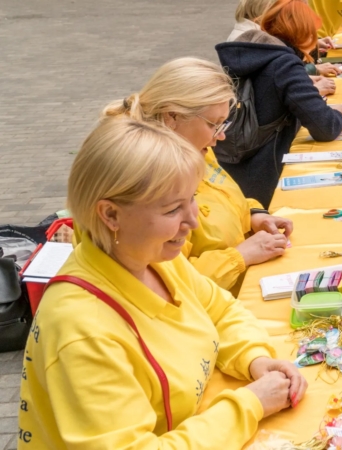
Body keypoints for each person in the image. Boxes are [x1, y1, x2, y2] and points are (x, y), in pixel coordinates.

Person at [18, 118, 307, 449]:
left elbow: (221, 309)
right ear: (110, 215)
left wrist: (255, 358)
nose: (193, 221)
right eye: (172, 209)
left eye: (192, 199)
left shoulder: (150, 258)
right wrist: (250, 404)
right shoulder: (81, 332)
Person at [103, 57, 292, 293]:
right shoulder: (146, 179)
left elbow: (225, 200)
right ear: (171, 116)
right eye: (214, 124)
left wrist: (254, 217)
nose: (220, 137)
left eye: (223, 124)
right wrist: (239, 256)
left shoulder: (194, 148)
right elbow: (166, 281)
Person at [217, 0, 342, 208]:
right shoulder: (284, 64)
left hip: (237, 169)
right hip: (266, 175)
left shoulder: (256, 51)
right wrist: (339, 113)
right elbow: (325, 126)